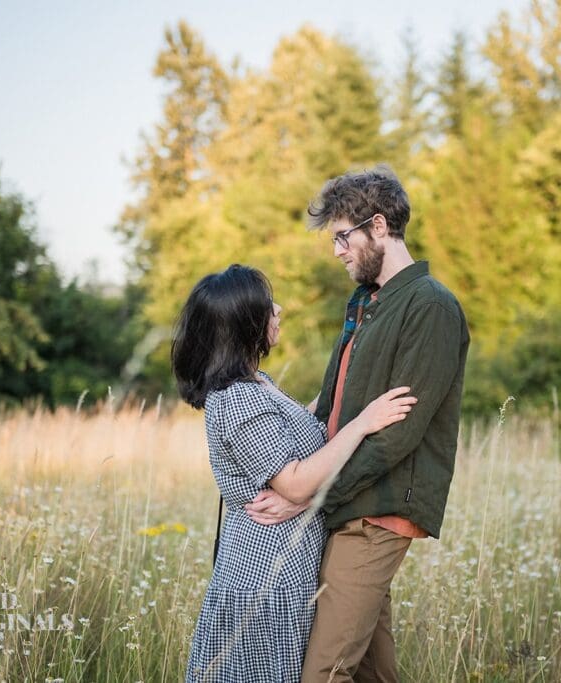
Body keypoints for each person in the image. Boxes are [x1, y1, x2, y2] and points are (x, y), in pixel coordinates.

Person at [172, 264, 418, 682]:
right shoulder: (237, 399)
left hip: (283, 569)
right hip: (265, 579)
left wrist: (352, 376)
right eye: (267, 307)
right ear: (243, 325)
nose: (279, 310)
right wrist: (363, 423)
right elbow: (296, 479)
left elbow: (300, 434)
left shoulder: (256, 385)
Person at [299, 166, 470, 682]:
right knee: (375, 673)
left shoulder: (430, 306)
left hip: (376, 514)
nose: (337, 251)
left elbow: (399, 434)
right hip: (348, 506)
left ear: (378, 226)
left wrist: (312, 496)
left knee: (322, 674)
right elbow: (330, 405)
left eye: (342, 237)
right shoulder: (367, 303)